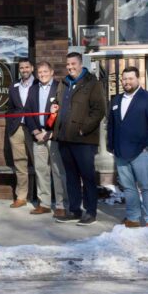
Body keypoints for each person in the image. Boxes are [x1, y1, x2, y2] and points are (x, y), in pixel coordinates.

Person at [51, 52, 107, 226]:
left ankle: (90, 212)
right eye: (68, 64)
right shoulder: (64, 83)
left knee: (87, 176)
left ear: (81, 64)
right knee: (71, 176)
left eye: (73, 64)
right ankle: (75, 210)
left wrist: (83, 130)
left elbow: (99, 110)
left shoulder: (92, 83)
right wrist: (55, 108)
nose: (70, 67)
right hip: (65, 138)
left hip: (83, 140)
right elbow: (61, 105)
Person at [107, 67, 148, 228]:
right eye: (124, 79)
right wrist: (111, 145)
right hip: (120, 151)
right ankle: (133, 217)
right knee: (129, 187)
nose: (127, 82)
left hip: (141, 151)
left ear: (138, 79)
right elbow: (111, 125)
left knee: (146, 186)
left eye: (130, 78)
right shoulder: (116, 100)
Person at [26, 61, 66, 217]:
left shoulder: (60, 88)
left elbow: (62, 112)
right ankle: (44, 203)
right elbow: (27, 111)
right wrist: (36, 131)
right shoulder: (33, 89)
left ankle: (62, 204)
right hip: (38, 136)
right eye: (39, 72)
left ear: (51, 72)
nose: (42, 75)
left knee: (58, 171)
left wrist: (50, 132)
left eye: (45, 72)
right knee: (41, 170)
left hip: (53, 136)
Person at [6, 58, 36, 209]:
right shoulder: (14, 85)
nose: (24, 70)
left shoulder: (38, 84)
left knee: (40, 162)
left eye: (27, 67)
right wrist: (11, 122)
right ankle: (22, 196)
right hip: (17, 128)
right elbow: (10, 107)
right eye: (22, 68)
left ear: (32, 68)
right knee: (20, 163)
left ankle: (43, 197)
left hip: (34, 128)